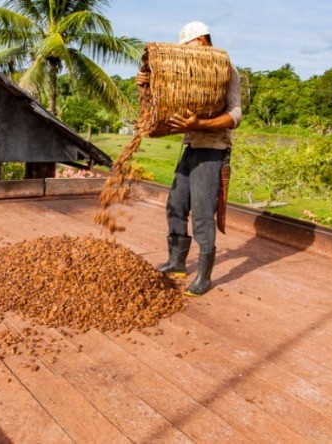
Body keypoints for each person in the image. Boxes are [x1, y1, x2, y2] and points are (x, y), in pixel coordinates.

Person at [137, 21, 241, 296]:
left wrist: (201, 123)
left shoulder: (226, 69)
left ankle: (204, 278)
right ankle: (177, 263)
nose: (187, 52)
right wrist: (147, 83)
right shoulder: (189, 73)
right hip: (191, 147)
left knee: (203, 214)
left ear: (202, 41)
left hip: (213, 149)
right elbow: (169, 96)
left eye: (190, 46)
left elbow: (235, 116)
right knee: (175, 204)